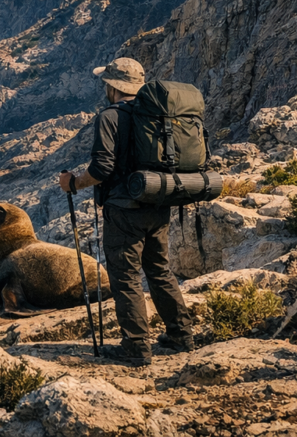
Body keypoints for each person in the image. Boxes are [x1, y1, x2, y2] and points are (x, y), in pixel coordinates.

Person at [57, 57, 195, 366]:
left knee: (126, 276)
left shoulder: (109, 116)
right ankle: (181, 335)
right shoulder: (157, 114)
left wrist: (74, 183)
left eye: (106, 83)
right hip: (158, 202)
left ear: (113, 87)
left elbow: (103, 168)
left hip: (123, 209)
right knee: (159, 270)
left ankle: (136, 345)